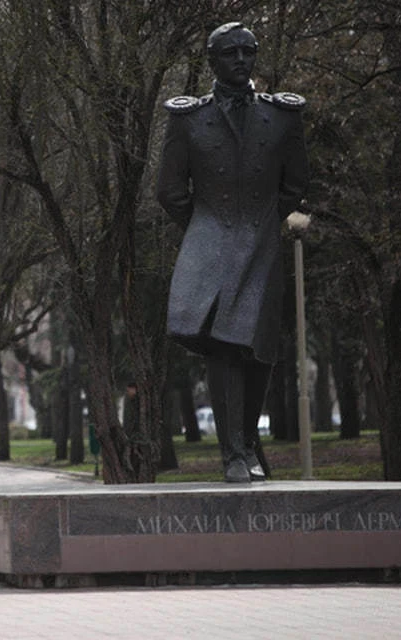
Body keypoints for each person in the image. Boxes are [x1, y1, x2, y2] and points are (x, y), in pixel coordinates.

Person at [156, 22, 309, 482]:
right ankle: (234, 455)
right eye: (230, 53)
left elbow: (297, 184)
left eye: (248, 51)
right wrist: (206, 229)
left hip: (261, 242)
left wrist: (258, 222)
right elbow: (169, 190)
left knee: (258, 349)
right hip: (210, 242)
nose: (240, 60)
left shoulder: (283, 117)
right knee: (223, 346)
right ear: (213, 61)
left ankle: (249, 445)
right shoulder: (188, 119)